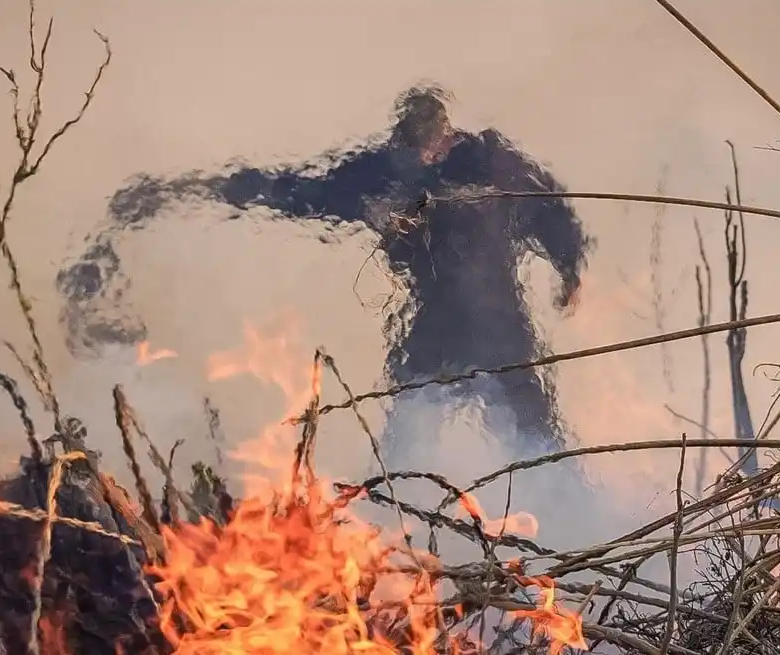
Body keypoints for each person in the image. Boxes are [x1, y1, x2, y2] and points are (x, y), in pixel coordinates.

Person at [57, 84, 594, 462]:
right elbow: (302, 191)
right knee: (406, 431)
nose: (424, 158)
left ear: (447, 136)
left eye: (431, 146)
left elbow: (550, 208)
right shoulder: (383, 171)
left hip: (501, 324)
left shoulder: (491, 162)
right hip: (434, 323)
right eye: (413, 149)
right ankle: (397, 514)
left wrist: (569, 268)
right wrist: (197, 189)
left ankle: (568, 527)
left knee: (536, 439)